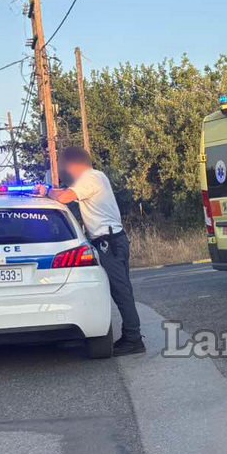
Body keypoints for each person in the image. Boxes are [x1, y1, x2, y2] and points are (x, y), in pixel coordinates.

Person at [36, 147, 145, 355]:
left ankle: (134, 339)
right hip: (114, 240)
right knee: (123, 290)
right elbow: (66, 193)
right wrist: (51, 190)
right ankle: (131, 336)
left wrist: (46, 191)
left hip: (108, 243)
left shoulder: (90, 178)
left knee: (121, 291)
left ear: (73, 165)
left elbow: (64, 197)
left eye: (64, 168)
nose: (64, 173)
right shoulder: (96, 178)